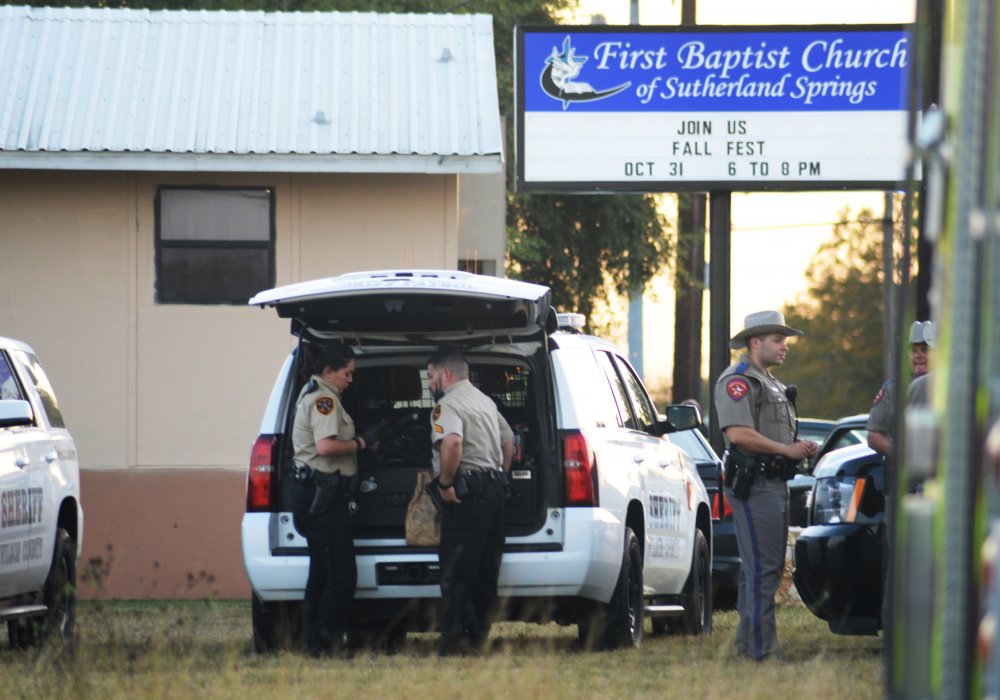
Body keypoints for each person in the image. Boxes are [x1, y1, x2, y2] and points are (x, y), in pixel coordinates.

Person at [714, 310, 817, 662]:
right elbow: (738, 434)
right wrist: (786, 449)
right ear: (755, 342)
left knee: (761, 568)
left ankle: (747, 645)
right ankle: (761, 651)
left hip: (773, 482)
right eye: (777, 339)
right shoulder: (739, 380)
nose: (784, 346)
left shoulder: (768, 380)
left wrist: (796, 449)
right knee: (764, 568)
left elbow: (770, 433)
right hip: (756, 485)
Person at [291, 341, 382, 657]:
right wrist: (360, 442)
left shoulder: (318, 395)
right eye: (348, 373)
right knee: (342, 574)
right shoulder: (325, 400)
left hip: (316, 495)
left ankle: (314, 640)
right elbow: (326, 447)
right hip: (324, 498)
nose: (351, 379)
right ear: (329, 371)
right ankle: (325, 643)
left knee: (322, 571)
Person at [427, 346, 514, 656]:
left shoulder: (445, 407)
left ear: (447, 375)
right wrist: (501, 475)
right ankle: (478, 637)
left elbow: (452, 442)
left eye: (431, 376)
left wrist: (446, 484)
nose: (430, 383)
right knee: (485, 570)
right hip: (493, 492)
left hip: (467, 493)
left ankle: (453, 641)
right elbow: (510, 440)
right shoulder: (485, 401)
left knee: (456, 569)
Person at [867, 321, 935, 456]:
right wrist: (902, 457)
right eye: (913, 350)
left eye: (925, 350)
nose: (918, 355)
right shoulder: (894, 388)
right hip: (905, 474)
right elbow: (874, 436)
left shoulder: (951, 384)